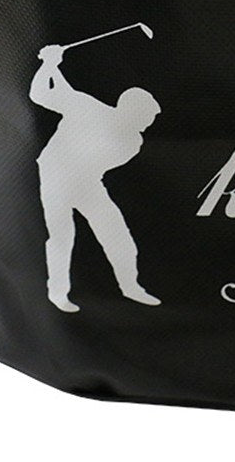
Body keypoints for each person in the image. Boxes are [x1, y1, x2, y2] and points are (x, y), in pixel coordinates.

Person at [29, 43, 161, 311]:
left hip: (86, 182)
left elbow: (68, 99)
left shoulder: (132, 141)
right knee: (62, 236)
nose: (149, 122)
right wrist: (49, 66)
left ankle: (131, 287)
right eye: (146, 116)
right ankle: (58, 294)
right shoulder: (89, 108)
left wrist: (53, 65)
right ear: (129, 109)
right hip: (55, 178)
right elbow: (40, 94)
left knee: (117, 235)